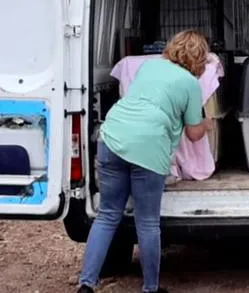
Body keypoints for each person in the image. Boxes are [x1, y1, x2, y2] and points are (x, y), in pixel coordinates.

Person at [77, 30, 214, 293]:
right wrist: (207, 123)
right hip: (148, 148)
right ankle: (150, 288)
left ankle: (87, 284)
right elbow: (194, 134)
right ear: (199, 59)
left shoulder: (149, 67)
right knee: (147, 222)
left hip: (112, 137)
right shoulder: (190, 84)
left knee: (107, 216)